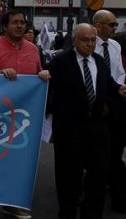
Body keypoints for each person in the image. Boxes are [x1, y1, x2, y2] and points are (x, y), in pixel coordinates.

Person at [48, 23, 126, 219]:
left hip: (97, 130)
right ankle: (67, 213)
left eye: (93, 40)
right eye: (85, 40)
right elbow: (50, 90)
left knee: (98, 178)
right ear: (74, 40)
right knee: (68, 179)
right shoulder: (60, 62)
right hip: (70, 130)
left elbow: (107, 84)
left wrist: (118, 89)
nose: (90, 44)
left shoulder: (99, 61)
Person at [0, 10, 50, 219]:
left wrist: (43, 75)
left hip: (25, 119)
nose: (20, 26)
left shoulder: (33, 49)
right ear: (4, 26)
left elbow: (38, 75)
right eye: (15, 22)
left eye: (23, 22)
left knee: (19, 162)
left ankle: (11, 202)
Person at [91, 10, 126, 213]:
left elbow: (119, 73)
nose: (115, 28)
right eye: (111, 24)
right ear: (98, 25)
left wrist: (119, 89)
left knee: (115, 152)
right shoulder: (86, 44)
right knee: (96, 153)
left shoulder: (114, 46)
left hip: (115, 103)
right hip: (95, 103)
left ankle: (117, 197)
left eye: (115, 24)